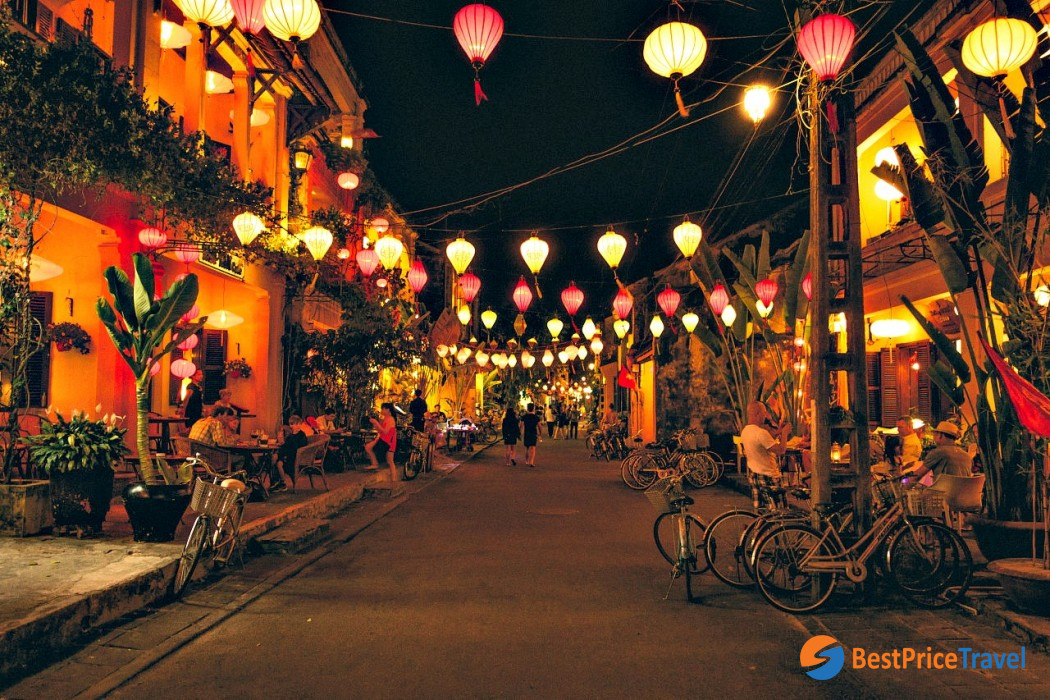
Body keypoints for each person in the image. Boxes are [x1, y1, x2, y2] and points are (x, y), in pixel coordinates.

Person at [740, 401, 790, 509]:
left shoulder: (746, 431)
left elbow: (766, 440)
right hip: (769, 477)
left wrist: (779, 431)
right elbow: (781, 450)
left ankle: (754, 526)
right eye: (764, 412)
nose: (766, 415)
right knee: (780, 512)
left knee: (761, 512)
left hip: (755, 475)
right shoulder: (760, 433)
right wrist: (785, 434)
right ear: (758, 414)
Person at [908, 421, 973, 484]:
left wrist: (903, 484)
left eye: (935, 434)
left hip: (943, 493)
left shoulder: (938, 452)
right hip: (964, 494)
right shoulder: (966, 455)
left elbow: (916, 477)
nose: (934, 437)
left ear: (940, 435)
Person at [272, 415, 315, 492]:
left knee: (279, 463)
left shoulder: (302, 435)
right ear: (291, 425)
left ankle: (282, 483)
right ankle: (275, 481)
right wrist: (281, 445)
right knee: (273, 458)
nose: (298, 426)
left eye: (299, 424)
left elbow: (299, 447)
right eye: (295, 424)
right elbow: (285, 447)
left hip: (295, 458)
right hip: (288, 456)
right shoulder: (290, 436)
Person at [365, 403, 399, 482]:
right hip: (384, 439)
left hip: (389, 441)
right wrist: (375, 423)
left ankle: (393, 479)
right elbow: (381, 430)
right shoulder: (386, 418)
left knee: (390, 461)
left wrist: (376, 423)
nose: (381, 410)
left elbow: (385, 431)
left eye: (383, 409)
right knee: (368, 447)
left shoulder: (390, 419)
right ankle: (375, 464)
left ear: (387, 410)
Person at [520, 403, 541, 468]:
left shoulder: (524, 417)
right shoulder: (536, 417)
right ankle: (531, 462)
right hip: (533, 433)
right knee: (533, 448)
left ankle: (526, 461)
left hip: (527, 433)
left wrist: (520, 432)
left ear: (527, 408)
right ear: (533, 408)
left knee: (527, 448)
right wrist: (540, 433)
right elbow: (539, 426)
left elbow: (521, 425)